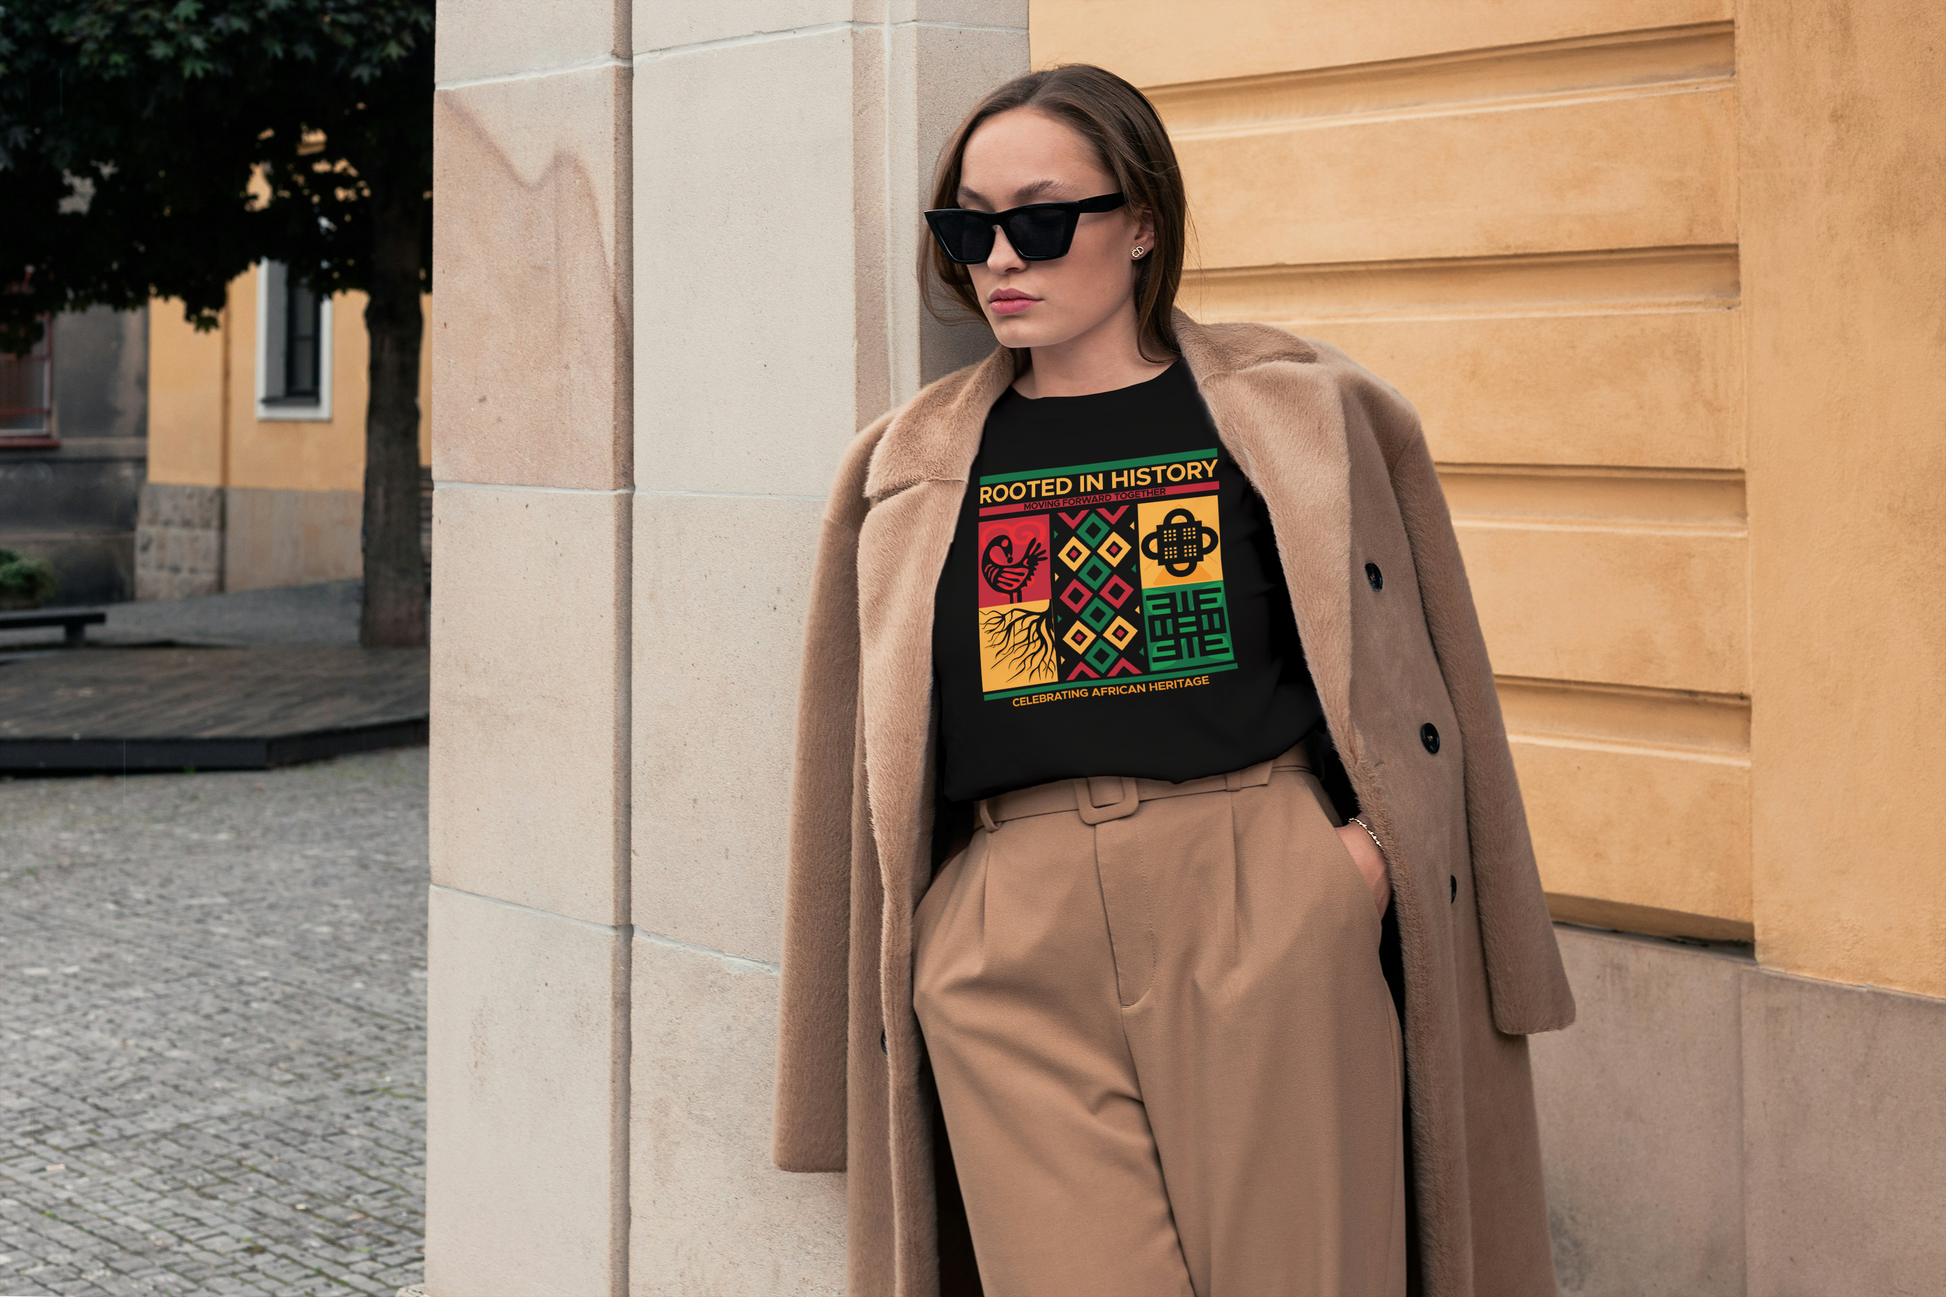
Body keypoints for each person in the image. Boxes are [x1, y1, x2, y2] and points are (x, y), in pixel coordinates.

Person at [773, 64, 1574, 1297]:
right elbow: (852, 761)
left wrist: (1348, 866)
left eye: (1038, 219)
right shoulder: (910, 466)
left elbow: (1430, 680)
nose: (998, 257)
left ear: (1140, 222)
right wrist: (932, 940)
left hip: (1261, 889)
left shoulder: (1297, 416)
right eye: (965, 226)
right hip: (1004, 933)